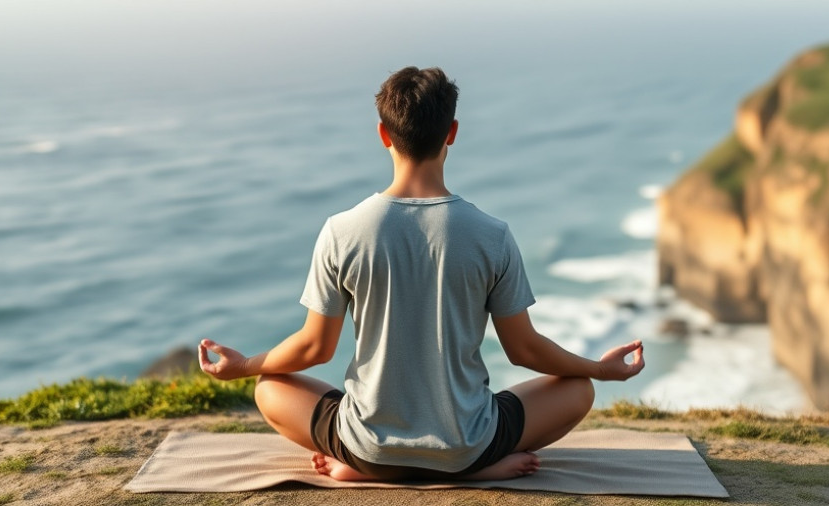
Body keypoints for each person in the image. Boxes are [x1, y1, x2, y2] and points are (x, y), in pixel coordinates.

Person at [198, 66, 645, 482]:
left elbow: (315, 347)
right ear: (451, 133)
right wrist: (599, 370)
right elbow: (524, 350)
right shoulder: (492, 235)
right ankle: (471, 473)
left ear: (382, 135)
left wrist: (244, 365)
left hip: (366, 446)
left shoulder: (342, 231)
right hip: (468, 445)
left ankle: (374, 472)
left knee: (269, 386)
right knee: (579, 390)